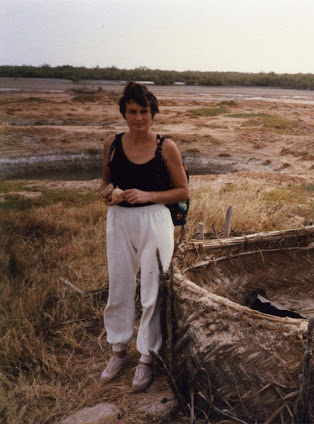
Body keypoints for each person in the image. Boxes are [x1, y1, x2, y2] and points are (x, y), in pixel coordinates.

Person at [99, 82, 189, 392]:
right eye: (132, 112)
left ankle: (147, 358)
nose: (139, 118)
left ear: (153, 113)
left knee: (152, 289)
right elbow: (105, 183)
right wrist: (108, 194)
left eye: (144, 112)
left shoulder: (166, 147)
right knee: (120, 283)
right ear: (124, 114)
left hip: (155, 219)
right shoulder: (112, 143)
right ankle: (118, 350)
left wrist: (148, 194)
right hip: (119, 219)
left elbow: (183, 191)